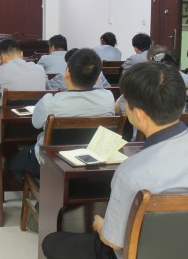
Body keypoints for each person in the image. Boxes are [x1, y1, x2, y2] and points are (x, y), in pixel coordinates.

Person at [42, 61, 188, 259]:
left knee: (52, 242)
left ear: (140, 114)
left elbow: (113, 242)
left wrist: (101, 225)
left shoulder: (131, 172)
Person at [8, 48, 115, 180]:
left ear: (67, 72)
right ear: (98, 78)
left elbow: (36, 124)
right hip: (92, 161)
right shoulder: (108, 98)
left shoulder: (50, 101)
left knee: (14, 161)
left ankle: (42, 187)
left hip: (52, 163)